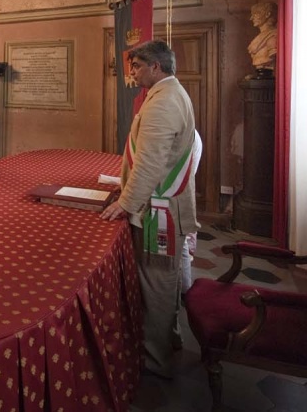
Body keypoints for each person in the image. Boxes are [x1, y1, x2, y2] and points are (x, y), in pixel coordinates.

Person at [99, 40, 201, 378]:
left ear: (156, 67)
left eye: (138, 67)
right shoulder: (168, 94)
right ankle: (169, 339)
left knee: (157, 281)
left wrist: (127, 202)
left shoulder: (163, 102)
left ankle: (155, 360)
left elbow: (151, 163)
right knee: (165, 279)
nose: (132, 73)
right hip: (163, 203)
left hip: (160, 210)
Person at [247, 1, 278, 77]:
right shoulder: (260, 37)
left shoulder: (273, 36)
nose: (251, 18)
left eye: (255, 14)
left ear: (267, 14)